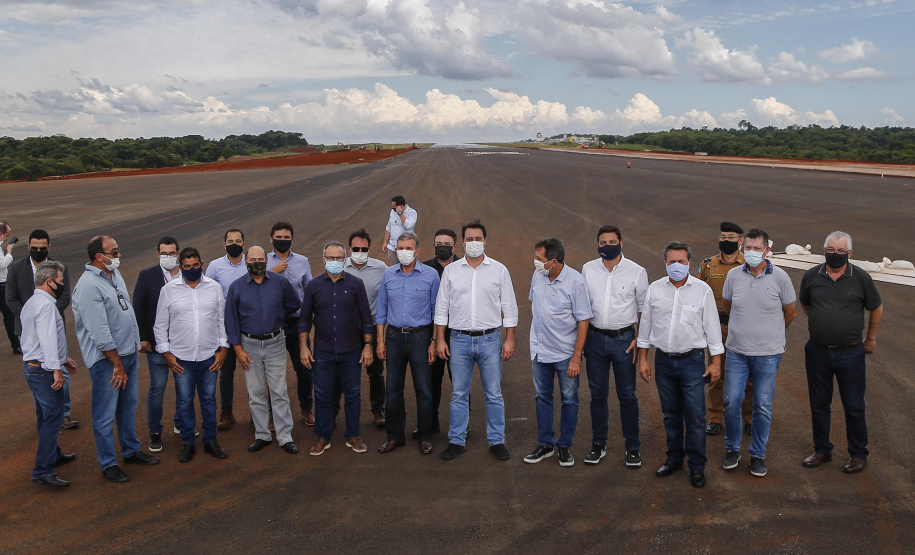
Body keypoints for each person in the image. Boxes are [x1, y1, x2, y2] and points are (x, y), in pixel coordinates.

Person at [72, 236, 160, 483]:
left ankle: (131, 450)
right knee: (104, 414)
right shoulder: (89, 285)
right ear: (100, 256)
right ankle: (108, 463)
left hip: (127, 354)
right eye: (115, 252)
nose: (119, 255)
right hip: (107, 363)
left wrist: (135, 343)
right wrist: (117, 365)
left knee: (128, 407)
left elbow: (125, 311)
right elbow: (99, 332)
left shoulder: (113, 275)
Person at [637, 241, 723, 489]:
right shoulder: (655, 289)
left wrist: (716, 363)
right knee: (671, 415)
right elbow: (645, 328)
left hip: (692, 363)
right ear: (665, 263)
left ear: (689, 263)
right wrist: (643, 359)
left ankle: (697, 466)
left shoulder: (702, 290)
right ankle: (674, 458)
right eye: (672, 261)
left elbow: (713, 330)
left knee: (695, 417)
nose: (677, 266)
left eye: (681, 261)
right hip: (663, 361)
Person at [799, 231, 882, 474]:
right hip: (818, 352)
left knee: (854, 405)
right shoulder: (811, 276)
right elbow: (806, 304)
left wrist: (871, 339)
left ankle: (858, 454)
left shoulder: (861, 278)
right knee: (819, 404)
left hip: (850, 353)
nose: (835, 255)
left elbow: (876, 308)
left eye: (841, 251)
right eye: (831, 250)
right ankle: (822, 449)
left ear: (850, 254)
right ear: (824, 251)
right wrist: (823, 323)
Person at [435, 221, 518, 461]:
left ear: (485, 240)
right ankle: (456, 440)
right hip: (459, 340)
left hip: (489, 339)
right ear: (462, 243)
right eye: (469, 239)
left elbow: (509, 308)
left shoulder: (499, 270)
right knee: (459, 393)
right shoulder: (451, 271)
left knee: (493, 393)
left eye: (477, 238)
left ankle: (496, 440)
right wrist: (440, 340)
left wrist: (509, 339)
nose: (473, 243)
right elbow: (441, 308)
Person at [720, 228, 797, 478]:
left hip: (768, 353)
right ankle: (732, 448)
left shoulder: (781, 278)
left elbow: (791, 311)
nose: (752, 252)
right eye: (748, 247)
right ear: (743, 247)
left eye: (757, 248)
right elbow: (728, 305)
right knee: (731, 401)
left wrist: (771, 332)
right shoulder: (733, 275)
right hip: (736, 352)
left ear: (767, 249)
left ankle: (757, 455)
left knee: (762, 406)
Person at [298, 241, 374, 456]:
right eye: (330, 258)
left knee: (353, 395)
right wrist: (304, 347)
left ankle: (353, 435)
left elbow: (366, 318)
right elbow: (304, 320)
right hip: (323, 351)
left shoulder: (356, 284)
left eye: (339, 258)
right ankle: (323, 436)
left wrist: (368, 346)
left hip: (351, 350)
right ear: (323, 260)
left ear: (345, 260)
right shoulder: (313, 286)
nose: (334, 262)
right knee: (322, 395)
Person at [581, 225, 648, 467]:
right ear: (597, 244)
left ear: (622, 243)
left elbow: (644, 311)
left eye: (611, 241)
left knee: (627, 396)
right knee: (597, 395)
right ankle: (598, 444)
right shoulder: (588, 269)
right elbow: (582, 307)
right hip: (595, 339)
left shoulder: (637, 272)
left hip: (624, 341)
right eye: (602, 242)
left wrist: (639, 340)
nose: (607, 246)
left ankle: (632, 446)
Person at [154, 247, 229, 463]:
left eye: (195, 265)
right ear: (180, 267)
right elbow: (160, 325)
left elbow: (222, 320)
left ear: (201, 264)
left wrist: (223, 350)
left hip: (209, 355)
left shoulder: (214, 288)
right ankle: (187, 443)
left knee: (208, 400)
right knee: (184, 401)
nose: (192, 269)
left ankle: (210, 441)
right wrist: (166, 354)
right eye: (186, 267)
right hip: (181, 358)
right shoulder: (168, 290)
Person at [225, 246, 301, 455]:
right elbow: (231, 321)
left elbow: (294, 304)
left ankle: (285, 436)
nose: (256, 262)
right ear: (246, 262)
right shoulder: (237, 287)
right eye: (252, 259)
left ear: (266, 261)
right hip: (248, 345)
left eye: (260, 258)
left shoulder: (280, 282)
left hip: (275, 342)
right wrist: (238, 350)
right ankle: (262, 435)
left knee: (279, 391)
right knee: (256, 392)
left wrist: (275, 316)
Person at [523, 238, 591, 467]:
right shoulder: (538, 276)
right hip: (540, 351)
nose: (535, 262)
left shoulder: (576, 283)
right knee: (542, 397)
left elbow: (583, 321)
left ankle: (564, 446)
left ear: (553, 261)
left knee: (569, 400)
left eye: (539, 259)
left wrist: (576, 358)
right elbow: (537, 307)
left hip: (564, 353)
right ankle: (545, 444)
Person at [375, 232, 439, 455]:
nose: (404, 252)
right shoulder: (388, 275)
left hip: (421, 337)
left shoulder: (431, 276)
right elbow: (381, 310)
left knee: (424, 389)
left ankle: (424, 435)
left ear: (417, 251)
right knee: (393, 389)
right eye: (400, 248)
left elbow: (436, 312)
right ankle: (395, 436)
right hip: (393, 337)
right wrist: (380, 341)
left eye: (408, 248)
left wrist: (433, 341)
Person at [6, 229, 77, 429]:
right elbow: (11, 298)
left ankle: (64, 413)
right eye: (34, 247)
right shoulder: (16, 268)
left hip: (53, 325)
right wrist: (32, 315)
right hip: (27, 328)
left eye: (42, 248)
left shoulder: (60, 268)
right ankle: (46, 414)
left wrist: (47, 313)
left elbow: (64, 296)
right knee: (37, 369)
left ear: (49, 247)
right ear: (28, 246)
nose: (38, 250)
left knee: (60, 367)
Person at [21, 261, 79, 487]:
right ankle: (42, 470)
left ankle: (53, 455)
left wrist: (63, 358)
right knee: (53, 418)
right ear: (49, 281)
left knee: (45, 416)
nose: (63, 285)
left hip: (33, 366)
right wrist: (57, 369)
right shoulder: (46, 306)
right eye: (61, 281)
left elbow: (34, 338)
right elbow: (46, 340)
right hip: (44, 370)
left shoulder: (33, 302)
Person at [698, 222, 753, 436]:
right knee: (715, 374)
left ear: (740, 240)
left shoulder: (750, 263)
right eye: (723, 236)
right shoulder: (709, 265)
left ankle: (748, 418)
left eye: (731, 237)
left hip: (744, 328)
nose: (726, 241)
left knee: (749, 377)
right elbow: (698, 292)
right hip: (717, 327)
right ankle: (715, 418)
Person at [133, 236, 183, 453]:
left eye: (172, 253)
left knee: (184, 388)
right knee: (157, 389)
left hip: (183, 345)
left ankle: (180, 421)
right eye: (164, 253)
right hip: (156, 345)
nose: (168, 257)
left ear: (178, 254)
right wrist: (142, 338)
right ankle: (155, 431)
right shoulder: (147, 276)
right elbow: (139, 308)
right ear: (157, 254)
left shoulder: (187, 275)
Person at [266, 222, 315, 425]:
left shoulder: (302, 261)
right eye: (279, 237)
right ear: (271, 239)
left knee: (304, 368)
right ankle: (273, 413)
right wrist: (273, 272)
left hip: (297, 323)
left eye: (287, 237)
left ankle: (306, 408)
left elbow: (309, 289)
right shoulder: (264, 261)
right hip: (272, 324)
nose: (282, 240)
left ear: (292, 239)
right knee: (273, 372)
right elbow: (256, 286)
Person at [337, 228, 387, 427]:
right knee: (342, 372)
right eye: (356, 248)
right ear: (349, 248)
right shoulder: (339, 267)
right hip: (345, 329)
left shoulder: (381, 268)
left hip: (372, 327)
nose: (359, 251)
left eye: (363, 248)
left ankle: (378, 410)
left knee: (375, 372)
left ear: (369, 248)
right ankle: (334, 411)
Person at [204, 228, 247, 430]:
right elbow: (207, 293)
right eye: (230, 241)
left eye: (238, 240)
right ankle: (226, 412)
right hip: (225, 326)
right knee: (226, 372)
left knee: (254, 371)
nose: (234, 243)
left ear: (244, 244)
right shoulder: (214, 266)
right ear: (224, 244)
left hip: (249, 325)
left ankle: (259, 413)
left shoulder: (252, 262)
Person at [421, 228, 460, 436]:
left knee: (459, 382)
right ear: (433, 245)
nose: (442, 248)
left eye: (447, 244)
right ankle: (431, 421)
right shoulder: (425, 268)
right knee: (431, 381)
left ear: (455, 246)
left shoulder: (464, 267)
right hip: (431, 334)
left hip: (457, 333)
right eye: (439, 244)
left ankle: (463, 423)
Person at [0, 221, 21, 354]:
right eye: (7, 235)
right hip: (1, 285)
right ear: (0, 234)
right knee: (9, 316)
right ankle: (16, 346)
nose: (7, 238)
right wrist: (9, 252)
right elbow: (2, 264)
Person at [382, 195, 417, 265]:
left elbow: (408, 225)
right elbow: (389, 227)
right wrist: (385, 242)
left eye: (394, 207)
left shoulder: (412, 212)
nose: (393, 209)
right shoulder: (392, 212)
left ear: (400, 206)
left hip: (405, 248)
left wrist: (400, 213)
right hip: (392, 246)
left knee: (406, 267)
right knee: (394, 269)